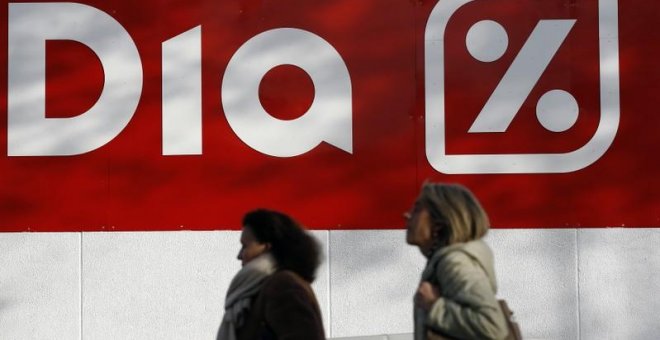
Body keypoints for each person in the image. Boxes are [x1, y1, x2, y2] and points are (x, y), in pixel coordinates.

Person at [405, 183, 509, 340]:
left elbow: (492, 326)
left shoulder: (454, 263)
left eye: (417, 209)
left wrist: (434, 306)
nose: (407, 215)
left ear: (438, 224)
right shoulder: (445, 262)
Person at [217, 209, 325, 340]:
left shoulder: (283, 285)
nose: (239, 256)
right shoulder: (263, 287)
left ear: (266, 247)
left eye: (245, 246)